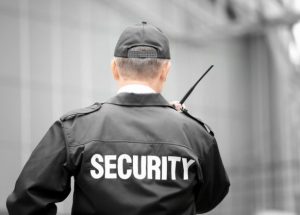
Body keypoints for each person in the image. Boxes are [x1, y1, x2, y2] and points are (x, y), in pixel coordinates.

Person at [7, 21, 230, 215]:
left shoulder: (75, 128)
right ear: (166, 70)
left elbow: (26, 201)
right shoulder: (196, 135)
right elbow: (208, 199)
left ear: (114, 68)